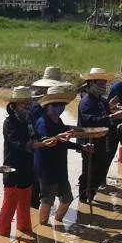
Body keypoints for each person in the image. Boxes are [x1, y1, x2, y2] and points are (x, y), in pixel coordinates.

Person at [34, 86, 82, 228]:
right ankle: (43, 228)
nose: (59, 108)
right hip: (46, 168)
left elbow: (63, 142)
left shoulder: (59, 121)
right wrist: (57, 137)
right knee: (47, 201)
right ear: (47, 106)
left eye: (62, 105)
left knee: (67, 199)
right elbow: (46, 141)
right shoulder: (42, 122)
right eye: (55, 105)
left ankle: (58, 221)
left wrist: (82, 147)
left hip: (60, 167)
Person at [0, 88, 38, 237]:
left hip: (27, 167)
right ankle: (2, 236)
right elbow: (17, 144)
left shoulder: (30, 122)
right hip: (12, 169)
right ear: (14, 105)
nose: (26, 107)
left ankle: (25, 230)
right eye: (23, 104)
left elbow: (36, 138)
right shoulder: (9, 123)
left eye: (28, 104)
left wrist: (42, 142)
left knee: (25, 204)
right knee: (9, 206)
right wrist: (36, 145)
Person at [76, 68, 115, 204]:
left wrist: (114, 119)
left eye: (104, 83)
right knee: (89, 171)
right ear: (91, 83)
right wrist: (111, 117)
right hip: (89, 142)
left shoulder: (103, 101)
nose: (103, 86)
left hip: (102, 140)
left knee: (101, 170)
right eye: (100, 83)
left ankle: (91, 192)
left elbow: (107, 119)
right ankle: (84, 198)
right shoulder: (85, 102)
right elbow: (89, 121)